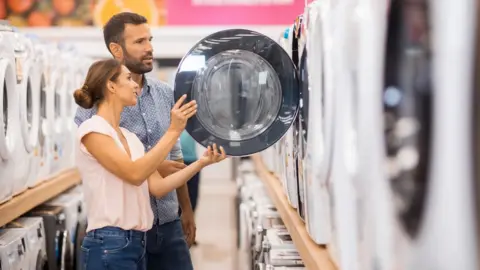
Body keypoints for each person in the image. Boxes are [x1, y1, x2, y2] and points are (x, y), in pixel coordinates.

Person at [74, 58, 227, 269]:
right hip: (108, 244)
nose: (136, 84)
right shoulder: (93, 130)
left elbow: (158, 187)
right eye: (128, 78)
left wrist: (202, 162)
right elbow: (135, 174)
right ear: (111, 85)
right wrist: (173, 131)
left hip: (136, 243)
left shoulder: (130, 138)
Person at [74, 12, 198, 270]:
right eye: (139, 42)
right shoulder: (94, 111)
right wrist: (154, 166)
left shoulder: (164, 93)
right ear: (116, 49)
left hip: (166, 220)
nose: (149, 48)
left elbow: (175, 157)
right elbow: (108, 166)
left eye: (149, 39)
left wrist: (186, 209)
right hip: (120, 230)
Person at [179, 131, 200, 246]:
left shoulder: (192, 122)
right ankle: (181, 233)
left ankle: (190, 230)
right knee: (178, 200)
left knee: (192, 198)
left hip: (192, 159)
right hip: (177, 160)